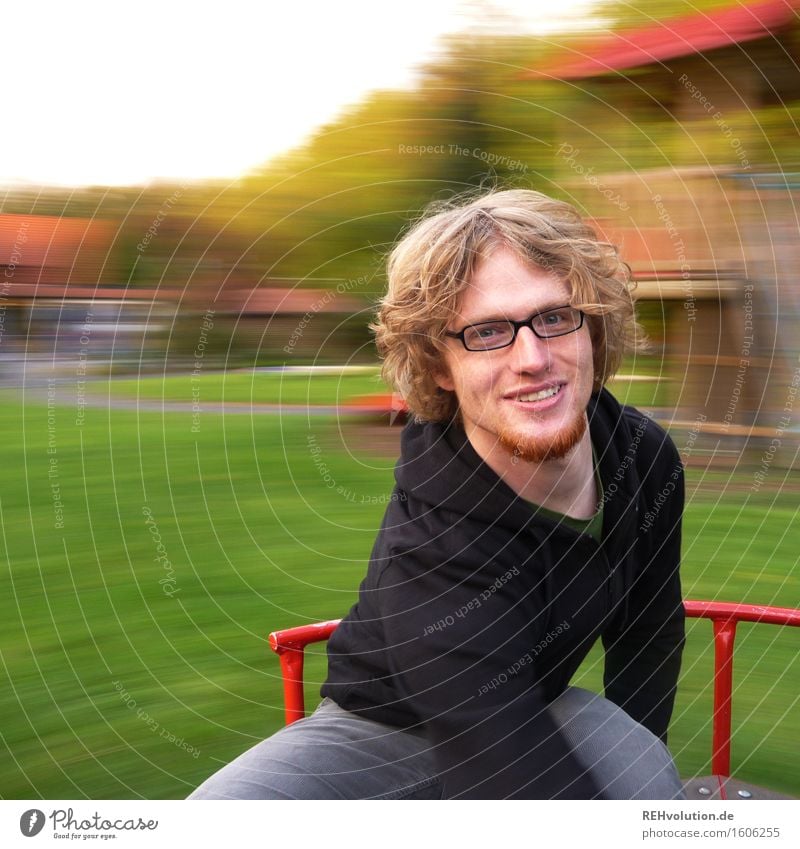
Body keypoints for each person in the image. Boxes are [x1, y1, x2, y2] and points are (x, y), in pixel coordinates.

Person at [190, 188, 686, 800]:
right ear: (437, 366)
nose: (532, 358)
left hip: (540, 706)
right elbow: (507, 767)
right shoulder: (434, 550)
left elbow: (648, 631)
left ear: (594, 327)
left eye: (555, 317)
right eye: (486, 332)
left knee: (649, 785)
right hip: (379, 731)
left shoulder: (643, 459)